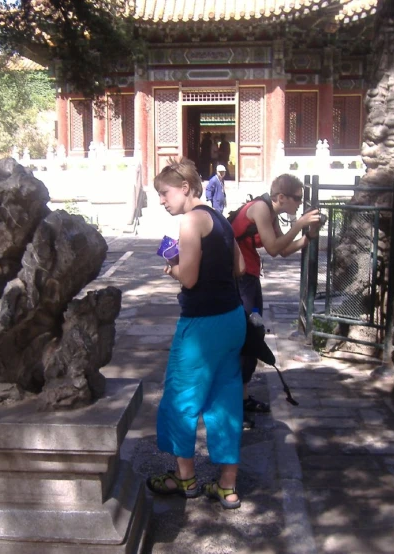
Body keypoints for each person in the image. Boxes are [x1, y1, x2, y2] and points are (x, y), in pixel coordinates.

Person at [147, 159, 247, 510]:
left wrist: (173, 267)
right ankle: (227, 485)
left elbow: (188, 278)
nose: (161, 200)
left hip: (202, 324)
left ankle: (185, 478)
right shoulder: (220, 218)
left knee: (180, 397)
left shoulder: (190, 221)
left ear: (185, 188)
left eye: (164, 192)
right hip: (232, 318)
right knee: (225, 399)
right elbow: (240, 267)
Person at [231, 174, 321, 428]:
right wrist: (299, 223)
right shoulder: (260, 208)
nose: (299, 205)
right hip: (239, 279)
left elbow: (283, 250)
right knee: (244, 338)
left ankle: (244, 397)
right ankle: (233, 405)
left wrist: (309, 235)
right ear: (282, 197)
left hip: (249, 276)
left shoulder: (270, 212)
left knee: (254, 335)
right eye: (297, 199)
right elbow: (271, 248)